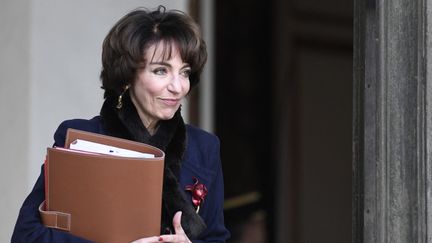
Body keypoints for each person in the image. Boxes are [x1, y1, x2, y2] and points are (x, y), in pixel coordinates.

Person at [12, 6, 230, 243]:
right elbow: (27, 236)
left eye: (185, 72)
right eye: (161, 70)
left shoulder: (204, 147)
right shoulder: (80, 139)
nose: (178, 87)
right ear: (127, 75)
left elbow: (216, 238)